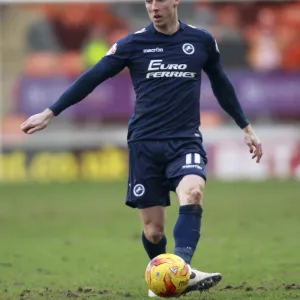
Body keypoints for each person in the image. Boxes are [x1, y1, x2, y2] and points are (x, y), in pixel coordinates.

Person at [20, 0, 263, 297]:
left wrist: (245, 127)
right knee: (153, 231)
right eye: (148, 1)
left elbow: (222, 85)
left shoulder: (201, 41)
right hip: (144, 144)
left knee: (194, 192)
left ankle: (180, 272)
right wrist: (50, 112)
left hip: (185, 140)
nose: (153, 7)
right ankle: (163, 273)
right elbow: (92, 77)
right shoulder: (133, 44)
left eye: (159, 0)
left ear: (175, 1)